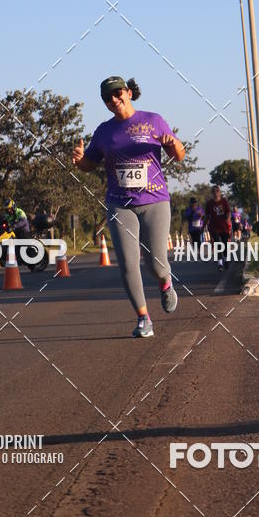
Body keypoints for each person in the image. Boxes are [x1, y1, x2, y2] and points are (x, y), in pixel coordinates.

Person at [72, 75, 185, 338]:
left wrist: (174, 144)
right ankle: (143, 318)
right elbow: (91, 163)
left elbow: (178, 156)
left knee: (155, 263)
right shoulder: (103, 131)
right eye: (107, 98)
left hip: (155, 201)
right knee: (127, 263)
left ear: (128, 93)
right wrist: (79, 162)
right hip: (119, 204)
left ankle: (166, 283)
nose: (113, 100)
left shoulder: (153, 120)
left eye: (117, 93)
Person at [205, 185, 232, 270]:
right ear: (212, 193)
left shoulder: (224, 201)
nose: (216, 193)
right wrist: (203, 226)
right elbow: (207, 216)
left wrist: (228, 218)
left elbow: (228, 211)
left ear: (220, 192)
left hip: (224, 226)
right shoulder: (209, 204)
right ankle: (220, 264)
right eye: (214, 191)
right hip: (214, 227)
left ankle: (227, 260)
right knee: (217, 245)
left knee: (225, 245)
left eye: (217, 191)